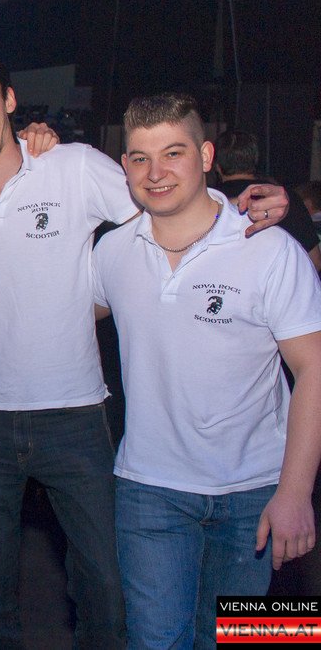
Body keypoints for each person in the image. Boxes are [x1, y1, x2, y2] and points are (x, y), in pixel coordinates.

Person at [0, 46, 291, 649]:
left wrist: (241, 208)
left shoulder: (75, 167)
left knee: (122, 597)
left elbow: (167, 201)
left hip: (97, 424)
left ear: (9, 99)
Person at [93, 92, 321, 649]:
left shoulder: (270, 248)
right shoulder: (112, 252)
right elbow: (52, 314)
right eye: (141, 158)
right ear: (125, 167)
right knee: (155, 643)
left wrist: (296, 493)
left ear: (206, 155)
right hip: (149, 490)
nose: (156, 172)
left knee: (246, 640)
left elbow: (314, 367)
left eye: (173, 153)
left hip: (257, 493)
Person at [213, 129, 321, 271]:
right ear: (255, 161)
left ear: (217, 166)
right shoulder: (285, 198)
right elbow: (314, 262)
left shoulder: (209, 200)